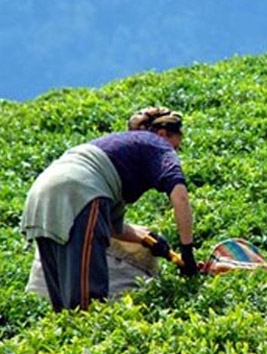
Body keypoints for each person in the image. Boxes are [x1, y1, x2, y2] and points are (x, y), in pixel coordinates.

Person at [21, 107, 199, 312]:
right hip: (80, 192)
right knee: (88, 303)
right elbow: (180, 196)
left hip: (41, 194)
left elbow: (113, 228)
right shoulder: (158, 145)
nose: (175, 152)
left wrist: (148, 239)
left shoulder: (116, 153)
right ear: (162, 134)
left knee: (63, 302)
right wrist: (188, 252)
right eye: (176, 146)